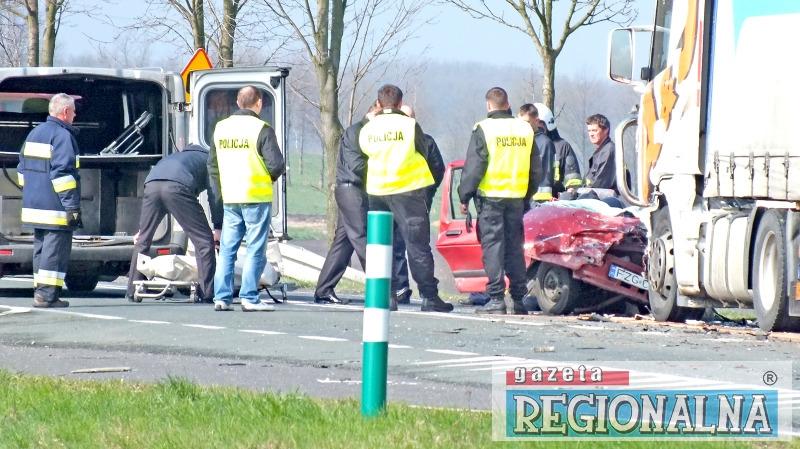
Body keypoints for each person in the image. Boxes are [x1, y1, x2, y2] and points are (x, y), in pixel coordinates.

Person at [356, 84, 453, 313]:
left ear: (379, 103)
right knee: (417, 246)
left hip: (378, 191)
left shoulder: (368, 128)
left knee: (382, 245)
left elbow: (364, 153)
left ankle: (387, 296)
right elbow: (423, 150)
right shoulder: (409, 125)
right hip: (409, 191)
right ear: (400, 103)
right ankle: (429, 296)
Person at [458, 87, 541, 315]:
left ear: (488, 105)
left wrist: (464, 195)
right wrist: (527, 193)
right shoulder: (525, 129)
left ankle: (496, 298)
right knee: (515, 248)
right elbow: (535, 169)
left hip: (491, 198)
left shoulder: (484, 129)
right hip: (516, 198)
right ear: (508, 104)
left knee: (493, 247)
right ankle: (518, 299)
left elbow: (475, 166)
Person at [208, 86, 285, 312]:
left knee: (227, 249)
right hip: (255, 196)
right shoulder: (262, 128)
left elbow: (212, 165)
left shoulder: (220, 128)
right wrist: (268, 178)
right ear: (258, 103)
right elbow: (277, 165)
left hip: (230, 197)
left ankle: (221, 297)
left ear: (238, 103)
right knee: (255, 248)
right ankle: (249, 297)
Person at [126, 144, 223, 303]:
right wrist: (218, 226)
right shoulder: (210, 160)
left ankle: (132, 290)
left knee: (143, 239)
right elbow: (214, 194)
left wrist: (142, 229)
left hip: (151, 184)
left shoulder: (177, 156)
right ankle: (206, 294)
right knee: (204, 242)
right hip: (178, 187)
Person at [17, 93, 81, 308]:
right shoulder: (62, 136)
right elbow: (63, 175)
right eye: (73, 111)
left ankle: (41, 292)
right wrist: (71, 206)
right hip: (55, 207)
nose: (75, 115)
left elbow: (21, 170)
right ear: (65, 112)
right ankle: (46, 296)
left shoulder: (34, 133)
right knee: (55, 251)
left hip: (33, 205)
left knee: (41, 249)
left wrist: (33, 191)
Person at [313, 105, 381, 305]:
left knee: (343, 243)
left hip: (352, 190)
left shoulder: (360, 131)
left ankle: (324, 289)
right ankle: (380, 287)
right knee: (362, 238)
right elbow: (356, 166)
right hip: (352, 190)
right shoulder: (357, 132)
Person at [391, 104, 445, 309]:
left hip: (406, 199)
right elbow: (437, 170)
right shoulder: (421, 140)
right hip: (408, 199)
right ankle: (405, 289)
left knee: (414, 247)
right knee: (405, 246)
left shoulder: (424, 141)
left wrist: (426, 193)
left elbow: (438, 169)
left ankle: (416, 291)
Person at [533, 102, 582, 196]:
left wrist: (568, 195)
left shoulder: (563, 147)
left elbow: (572, 183)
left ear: (545, 124)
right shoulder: (524, 145)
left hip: (554, 201)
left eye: (537, 126)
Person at [518, 104, 555, 202]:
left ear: (537, 121)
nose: (523, 126)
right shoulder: (518, 140)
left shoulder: (545, 143)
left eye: (527, 122)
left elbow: (545, 176)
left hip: (537, 201)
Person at [584, 113, 617, 192]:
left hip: (604, 197)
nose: (591, 134)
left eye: (594, 130)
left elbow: (599, 185)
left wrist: (581, 194)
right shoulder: (601, 151)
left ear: (606, 130)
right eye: (589, 131)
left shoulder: (609, 151)